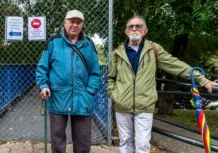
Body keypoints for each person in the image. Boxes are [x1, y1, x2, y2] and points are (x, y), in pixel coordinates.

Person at [107, 15, 217, 153]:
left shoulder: (153, 49)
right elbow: (110, 77)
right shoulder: (117, 53)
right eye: (130, 26)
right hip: (122, 105)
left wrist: (203, 80)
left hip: (145, 104)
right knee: (125, 142)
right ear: (126, 31)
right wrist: (114, 94)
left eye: (138, 26)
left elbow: (176, 65)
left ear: (145, 31)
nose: (134, 29)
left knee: (142, 144)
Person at [36, 10, 101, 153]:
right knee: (57, 140)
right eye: (72, 21)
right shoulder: (53, 43)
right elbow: (42, 68)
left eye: (78, 22)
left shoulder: (89, 45)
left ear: (82, 25)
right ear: (65, 23)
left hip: (82, 99)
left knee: (83, 141)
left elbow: (95, 73)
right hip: (58, 97)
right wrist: (44, 85)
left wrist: (89, 92)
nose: (75, 25)